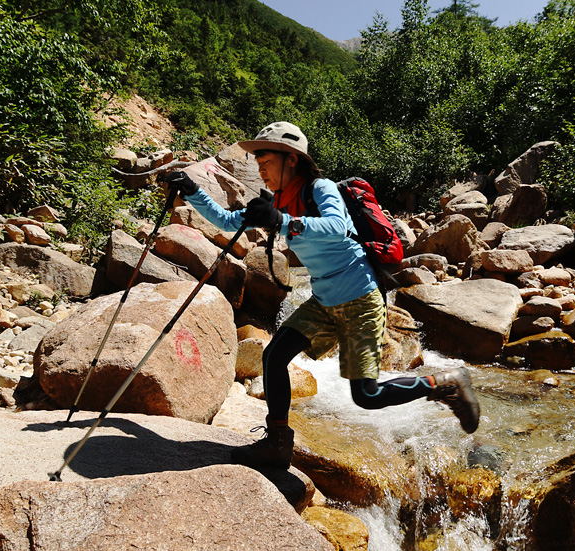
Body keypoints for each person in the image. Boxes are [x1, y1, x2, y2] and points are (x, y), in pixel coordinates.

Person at [161, 121, 480, 470]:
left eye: (265, 158)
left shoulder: (320, 188)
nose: (259, 167)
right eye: (257, 161)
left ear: (292, 159)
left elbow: (335, 228)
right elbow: (225, 220)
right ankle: (277, 443)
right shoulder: (277, 201)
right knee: (274, 357)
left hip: (360, 298)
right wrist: (191, 189)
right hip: (324, 301)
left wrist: (281, 221)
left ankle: (444, 383)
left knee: (367, 396)